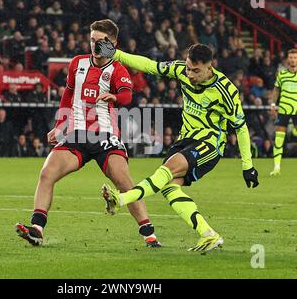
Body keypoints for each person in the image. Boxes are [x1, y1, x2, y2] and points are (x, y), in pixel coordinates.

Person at [95, 41, 259, 252]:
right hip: (185, 139)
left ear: (210, 67)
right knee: (169, 187)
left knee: (168, 169)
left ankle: (122, 199)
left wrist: (248, 166)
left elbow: (241, 127)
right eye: (189, 68)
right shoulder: (181, 69)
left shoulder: (226, 91)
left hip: (209, 144)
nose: (189, 74)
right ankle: (208, 234)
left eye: (196, 70)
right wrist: (116, 54)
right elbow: (149, 66)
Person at [15, 19, 161, 248]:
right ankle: (37, 229)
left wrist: (114, 97)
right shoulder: (77, 63)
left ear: (113, 43)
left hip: (105, 137)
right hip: (77, 135)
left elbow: (127, 96)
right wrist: (60, 124)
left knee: (125, 183)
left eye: (101, 41)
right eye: (92, 40)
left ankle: (150, 235)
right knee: (47, 173)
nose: (94, 45)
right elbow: (69, 93)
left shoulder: (117, 69)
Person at [270, 49, 297, 176]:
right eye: (291, 57)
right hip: (284, 110)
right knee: (279, 139)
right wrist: (273, 105)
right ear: (287, 59)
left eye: (295, 57)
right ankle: (276, 168)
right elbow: (276, 90)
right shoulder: (282, 74)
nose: (292, 60)